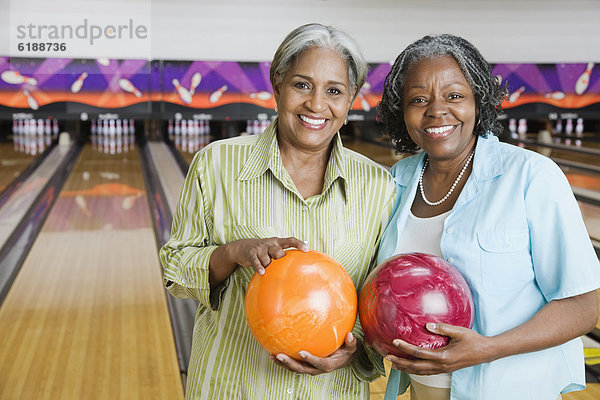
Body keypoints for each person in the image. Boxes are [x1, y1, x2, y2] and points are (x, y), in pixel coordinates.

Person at [159, 23, 396, 399]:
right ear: (277, 85)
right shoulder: (216, 165)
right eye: (302, 85)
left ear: (350, 100)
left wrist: (355, 348)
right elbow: (175, 270)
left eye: (334, 91)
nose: (317, 104)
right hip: (232, 387)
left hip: (331, 391)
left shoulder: (379, 187)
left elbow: (380, 297)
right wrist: (232, 253)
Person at [375, 34, 600, 400]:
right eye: (419, 99)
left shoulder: (531, 176)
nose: (436, 111)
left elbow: (582, 308)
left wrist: (488, 348)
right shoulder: (394, 184)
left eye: (454, 96)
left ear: (478, 100)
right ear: (402, 110)